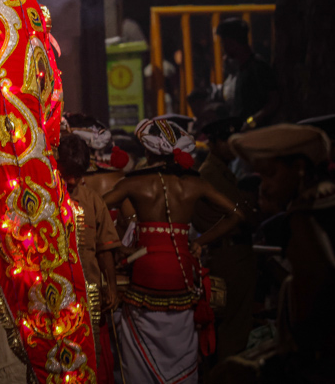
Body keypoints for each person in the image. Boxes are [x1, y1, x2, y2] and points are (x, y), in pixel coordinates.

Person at [214, 124, 335, 383]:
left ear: (299, 167)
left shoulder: (305, 214)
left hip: (333, 348)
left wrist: (283, 358)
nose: (264, 187)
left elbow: (319, 283)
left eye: (270, 175)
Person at [103, 118, 245, 384]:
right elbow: (237, 214)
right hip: (182, 274)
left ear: (148, 151)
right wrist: (202, 242)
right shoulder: (194, 183)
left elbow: (94, 209)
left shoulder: (133, 183)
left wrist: (116, 245)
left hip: (146, 274)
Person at [56, 133, 121, 380]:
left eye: (77, 174)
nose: (72, 180)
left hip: (89, 292)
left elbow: (104, 247)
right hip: (55, 296)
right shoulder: (46, 199)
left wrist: (111, 287)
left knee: (92, 358)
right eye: (67, 173)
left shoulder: (92, 200)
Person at [193, 117, 257, 364]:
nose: (233, 146)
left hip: (230, 251)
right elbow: (243, 214)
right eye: (227, 141)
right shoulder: (211, 173)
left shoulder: (222, 171)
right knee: (234, 326)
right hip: (230, 253)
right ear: (214, 143)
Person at [214, 18, 279, 130]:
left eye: (223, 42)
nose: (223, 48)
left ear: (232, 42)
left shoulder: (258, 67)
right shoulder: (241, 69)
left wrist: (252, 122)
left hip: (257, 134)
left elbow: (274, 101)